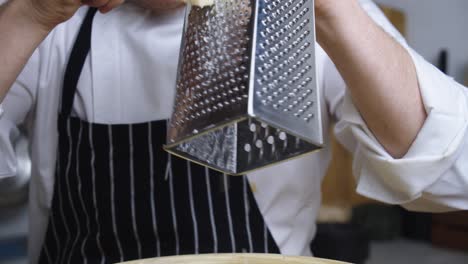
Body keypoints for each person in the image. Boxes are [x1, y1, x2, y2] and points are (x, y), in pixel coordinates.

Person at [0, 0, 467, 263]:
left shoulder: (302, 13)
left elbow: (453, 179)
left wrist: (328, 9)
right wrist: (32, 14)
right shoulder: (51, 26)